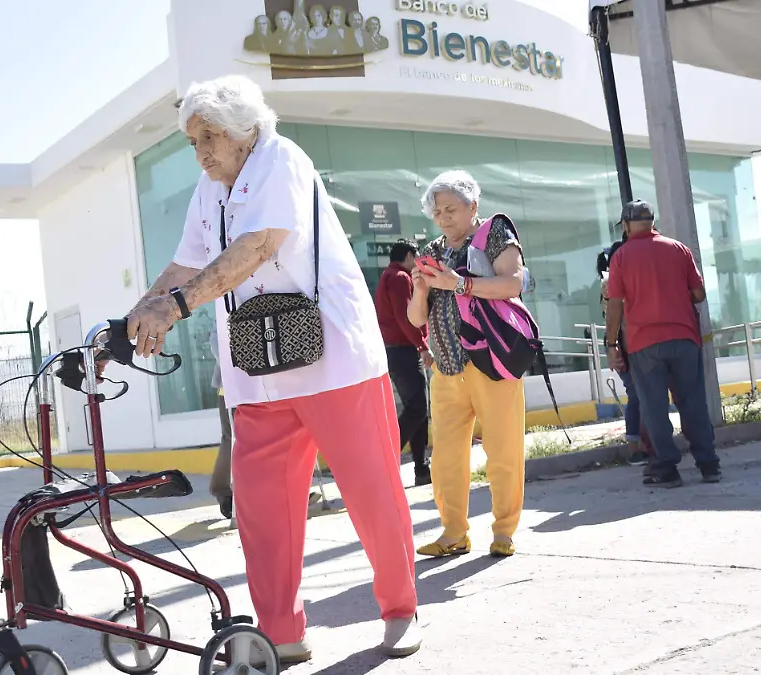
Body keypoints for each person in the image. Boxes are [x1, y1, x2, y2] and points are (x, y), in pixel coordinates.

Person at [125, 75, 419, 662]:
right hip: (256, 370)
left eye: (209, 137)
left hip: (334, 359)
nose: (201, 152)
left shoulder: (281, 160)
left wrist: (174, 308)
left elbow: (259, 245)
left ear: (243, 129)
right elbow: (184, 264)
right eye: (193, 141)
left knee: (372, 493)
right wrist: (134, 317)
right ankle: (281, 632)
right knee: (262, 514)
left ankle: (400, 610)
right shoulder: (209, 189)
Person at [407, 170, 527, 559]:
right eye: (437, 211)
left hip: (490, 361)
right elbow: (416, 318)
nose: (443, 218)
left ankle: (504, 530)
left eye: (451, 209)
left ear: (473, 206)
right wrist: (420, 290)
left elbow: (513, 283)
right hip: (445, 366)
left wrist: (458, 283)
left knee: (503, 450)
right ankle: (453, 532)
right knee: (445, 459)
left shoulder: (494, 235)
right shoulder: (433, 249)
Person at [605, 200, 721, 488]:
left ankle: (666, 469)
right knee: (693, 402)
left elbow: (615, 304)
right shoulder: (678, 249)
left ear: (627, 225)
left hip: (644, 343)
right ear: (652, 222)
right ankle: (708, 464)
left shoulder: (621, 257)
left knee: (654, 407)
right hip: (684, 338)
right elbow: (699, 294)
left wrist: (611, 343)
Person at [376, 240, 432, 487]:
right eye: (416, 256)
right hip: (403, 350)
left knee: (417, 410)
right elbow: (405, 316)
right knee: (417, 409)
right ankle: (384, 461)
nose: (417, 262)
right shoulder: (400, 278)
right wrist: (422, 345)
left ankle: (422, 469)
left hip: (396, 351)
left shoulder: (387, 276)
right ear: (409, 255)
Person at [598, 238, 651, 467]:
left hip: (629, 341)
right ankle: (635, 446)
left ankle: (645, 443)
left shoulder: (616, 280)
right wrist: (614, 347)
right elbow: (617, 315)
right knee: (637, 393)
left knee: (643, 393)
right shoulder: (611, 282)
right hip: (622, 342)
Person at [207, 323, 234, 519]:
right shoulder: (223, 307)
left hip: (264, 382)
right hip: (231, 383)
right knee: (230, 437)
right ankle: (223, 492)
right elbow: (216, 342)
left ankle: (291, 488)